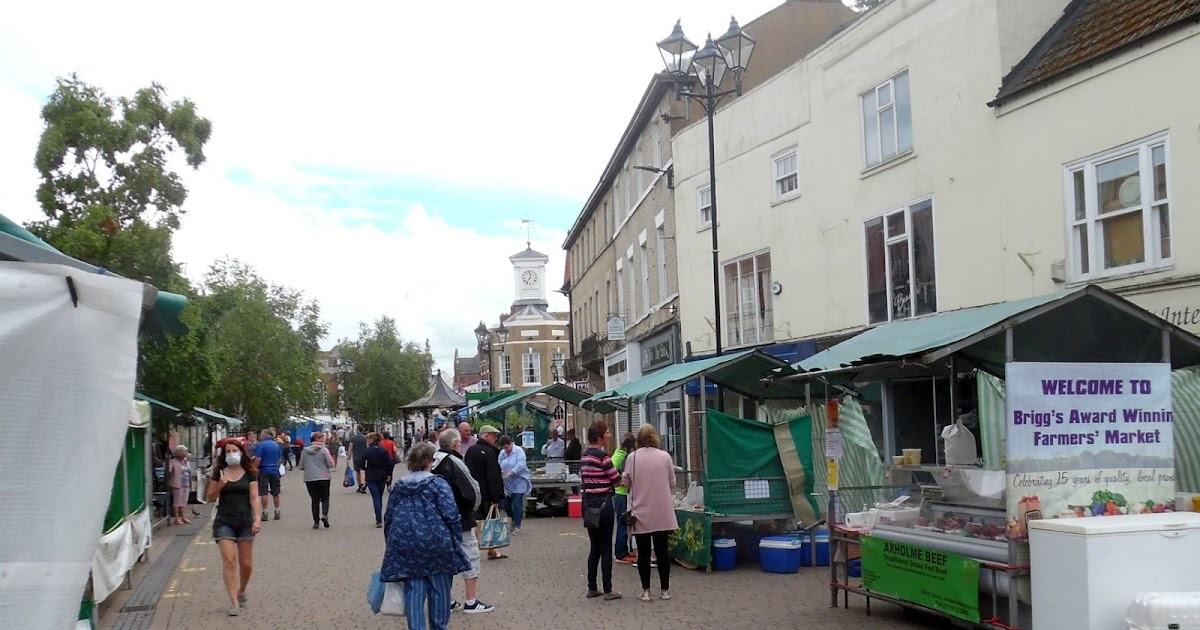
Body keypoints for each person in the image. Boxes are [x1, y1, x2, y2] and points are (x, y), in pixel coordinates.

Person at [380, 442, 471, 630]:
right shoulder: (438, 484)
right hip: (437, 543)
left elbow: (389, 517)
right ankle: (439, 627)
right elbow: (451, 514)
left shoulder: (399, 486)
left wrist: (391, 542)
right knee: (440, 590)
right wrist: (455, 538)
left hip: (406, 543)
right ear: (430, 460)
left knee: (414, 590)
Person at [433, 428, 494, 614]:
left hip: (436, 520)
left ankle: (446, 599)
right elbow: (472, 490)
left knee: (444, 558)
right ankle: (471, 600)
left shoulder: (432, 461)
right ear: (455, 444)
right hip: (460, 518)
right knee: (471, 555)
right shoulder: (454, 462)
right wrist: (472, 509)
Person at [623, 424, 678, 602]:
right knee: (662, 552)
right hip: (662, 511)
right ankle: (665, 590)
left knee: (643, 553)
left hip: (640, 512)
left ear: (638, 439)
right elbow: (672, 483)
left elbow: (626, 482)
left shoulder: (632, 458)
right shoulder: (665, 456)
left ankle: (646, 590)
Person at [206, 439, 261, 616]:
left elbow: (254, 497)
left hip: (245, 520)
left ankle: (242, 590)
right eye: (228, 452)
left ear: (241, 453)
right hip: (224, 521)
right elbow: (210, 497)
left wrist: (257, 519)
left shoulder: (250, 472)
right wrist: (220, 485)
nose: (231, 454)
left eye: (234, 451)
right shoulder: (219, 472)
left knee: (246, 563)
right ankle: (233, 602)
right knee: (229, 560)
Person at [579, 421, 622, 601]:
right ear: (599, 437)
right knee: (606, 547)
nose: (609, 435)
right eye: (607, 433)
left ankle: (592, 587)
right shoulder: (603, 457)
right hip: (604, 505)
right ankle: (608, 589)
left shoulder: (585, 457)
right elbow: (617, 480)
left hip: (588, 505)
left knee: (594, 547)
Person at [464, 425, 506, 560]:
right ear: (487, 436)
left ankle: (473, 548)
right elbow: (492, 476)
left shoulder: (470, 451)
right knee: (491, 520)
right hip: (487, 493)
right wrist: (496, 497)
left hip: (474, 492)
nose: (495, 439)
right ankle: (492, 549)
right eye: (494, 436)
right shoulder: (490, 452)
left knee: (476, 520)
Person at [299, 432, 335, 529]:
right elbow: (330, 464)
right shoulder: (324, 450)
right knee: (325, 498)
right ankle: (324, 514)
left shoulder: (305, 451)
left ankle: (316, 522)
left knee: (314, 500)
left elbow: (301, 466)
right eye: (322, 438)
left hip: (310, 478)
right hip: (324, 477)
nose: (324, 440)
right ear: (318, 439)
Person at [498, 435, 530, 535]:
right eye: (504, 448)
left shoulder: (519, 451)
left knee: (517, 503)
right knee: (506, 504)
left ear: (511, 444)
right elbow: (499, 463)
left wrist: (512, 472)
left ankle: (517, 525)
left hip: (519, 480)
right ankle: (512, 519)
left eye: (507, 447)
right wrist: (501, 472)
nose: (506, 450)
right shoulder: (502, 453)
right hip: (507, 482)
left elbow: (521, 464)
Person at [612, 433, 637, 563]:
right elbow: (613, 475)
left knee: (624, 523)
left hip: (620, 494)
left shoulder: (618, 454)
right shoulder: (620, 457)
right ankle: (620, 554)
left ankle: (624, 551)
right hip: (621, 494)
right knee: (623, 523)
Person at [363, 433, 394, 527]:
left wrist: (365, 469)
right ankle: (379, 516)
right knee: (379, 496)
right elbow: (390, 463)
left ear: (371, 440)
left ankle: (378, 519)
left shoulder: (367, 451)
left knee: (375, 497)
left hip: (371, 476)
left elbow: (361, 462)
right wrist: (388, 473)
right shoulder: (383, 450)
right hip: (382, 476)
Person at [253, 429, 284, 521]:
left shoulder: (261, 445)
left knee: (264, 492)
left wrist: (254, 469)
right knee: (276, 492)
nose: (259, 436)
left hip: (263, 470)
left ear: (265, 436)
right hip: (274, 470)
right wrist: (277, 467)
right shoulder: (276, 445)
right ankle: (277, 511)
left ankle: (265, 512)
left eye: (261, 435)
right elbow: (279, 459)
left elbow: (258, 459)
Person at [168, 445, 193, 525]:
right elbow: (169, 471)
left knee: (184, 501)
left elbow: (189, 471)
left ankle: (183, 517)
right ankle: (177, 518)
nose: (186, 454)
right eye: (185, 452)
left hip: (186, 483)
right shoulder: (173, 462)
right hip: (177, 484)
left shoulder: (186, 461)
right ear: (180, 453)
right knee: (177, 501)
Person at [350, 427, 369, 493]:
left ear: (357, 430)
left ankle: (359, 486)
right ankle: (364, 484)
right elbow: (367, 446)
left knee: (358, 472)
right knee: (363, 471)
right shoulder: (365, 438)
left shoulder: (353, 438)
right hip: (364, 457)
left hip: (356, 457)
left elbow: (351, 447)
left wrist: (348, 456)